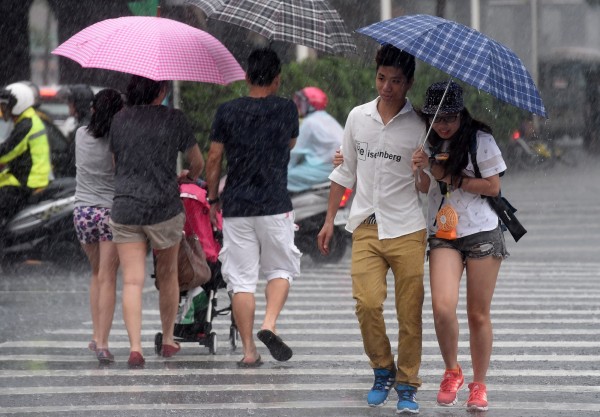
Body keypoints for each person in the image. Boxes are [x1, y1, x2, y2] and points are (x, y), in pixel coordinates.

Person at [317, 44, 427, 414]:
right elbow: (344, 171)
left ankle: (408, 383)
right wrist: (330, 219)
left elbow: (431, 186)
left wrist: (422, 169)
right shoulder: (357, 117)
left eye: (396, 81)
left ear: (409, 83)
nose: (387, 87)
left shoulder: (420, 126)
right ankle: (382, 368)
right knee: (367, 303)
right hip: (365, 224)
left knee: (409, 311)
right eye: (382, 78)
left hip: (408, 229)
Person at [411, 81, 508, 412]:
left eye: (450, 117)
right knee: (442, 307)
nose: (444, 124)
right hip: (444, 232)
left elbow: (493, 187)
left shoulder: (480, 139)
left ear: (461, 113)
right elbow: (426, 188)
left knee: (478, 314)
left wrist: (450, 176)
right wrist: (420, 170)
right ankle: (452, 370)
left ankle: (479, 385)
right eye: (438, 118)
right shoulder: (428, 141)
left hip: (482, 230)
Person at [205, 48, 301, 367]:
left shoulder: (226, 111)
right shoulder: (287, 109)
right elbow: (289, 144)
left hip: (237, 205)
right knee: (281, 269)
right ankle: (269, 324)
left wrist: (213, 198)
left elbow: (215, 157)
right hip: (275, 203)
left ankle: (249, 352)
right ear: (277, 80)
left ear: (246, 77)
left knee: (241, 280)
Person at [108, 75, 204, 367]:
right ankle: (167, 339)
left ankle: (135, 347)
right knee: (168, 275)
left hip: (126, 207)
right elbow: (197, 162)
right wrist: (187, 175)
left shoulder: (119, 119)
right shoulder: (175, 119)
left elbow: (116, 164)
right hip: (164, 206)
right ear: (162, 90)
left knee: (133, 281)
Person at [72, 88, 123, 364]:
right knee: (108, 277)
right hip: (109, 213)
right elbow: (119, 169)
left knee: (96, 274)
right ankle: (103, 343)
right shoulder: (117, 140)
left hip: (82, 213)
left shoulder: (80, 135)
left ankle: (95, 335)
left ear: (93, 109)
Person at [0, 82, 51, 230]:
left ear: (19, 103)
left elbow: (8, 150)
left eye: (6, 105)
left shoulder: (27, 124)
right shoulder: (26, 120)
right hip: (22, 177)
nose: (3, 110)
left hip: (28, 182)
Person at [287, 86, 343, 193]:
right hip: (337, 167)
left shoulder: (309, 123)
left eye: (301, 102)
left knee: (283, 178)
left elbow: (294, 153)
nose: (297, 105)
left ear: (310, 105)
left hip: (325, 168)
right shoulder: (327, 118)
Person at [59, 84, 94, 177]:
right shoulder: (89, 122)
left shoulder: (83, 128)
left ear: (77, 104)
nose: (68, 105)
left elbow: (74, 161)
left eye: (70, 101)